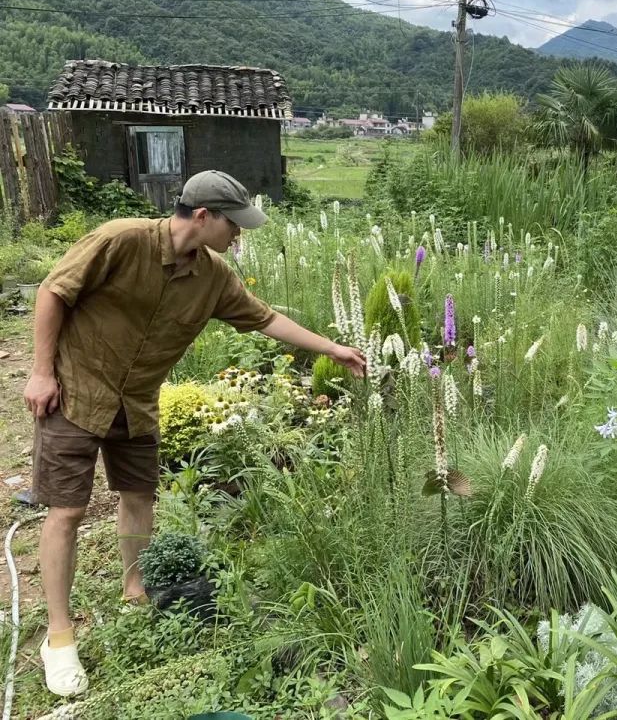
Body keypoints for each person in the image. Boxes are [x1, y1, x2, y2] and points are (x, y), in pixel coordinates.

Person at [22, 169, 366, 697]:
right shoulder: (121, 240)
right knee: (66, 508)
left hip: (136, 400)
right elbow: (53, 292)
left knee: (138, 495)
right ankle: (59, 637)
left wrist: (331, 348)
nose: (240, 235)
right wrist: (41, 371)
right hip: (75, 388)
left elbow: (265, 319)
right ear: (202, 217)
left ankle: (134, 589)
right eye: (235, 225)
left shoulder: (214, 276)